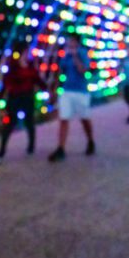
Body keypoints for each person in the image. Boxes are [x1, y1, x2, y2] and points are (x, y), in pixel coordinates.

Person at [48, 34, 95, 162]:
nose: (69, 44)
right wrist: (55, 89)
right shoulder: (65, 56)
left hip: (81, 91)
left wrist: (75, 55)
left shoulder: (83, 54)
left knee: (84, 119)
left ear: (77, 42)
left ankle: (90, 140)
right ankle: (61, 148)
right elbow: (60, 72)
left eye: (72, 42)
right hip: (67, 91)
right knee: (64, 118)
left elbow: (83, 70)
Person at [0, 43, 45, 164]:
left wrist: (46, 88)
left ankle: (31, 146)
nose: (26, 54)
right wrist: (0, 98)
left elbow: (37, 79)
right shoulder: (13, 67)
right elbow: (6, 83)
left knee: (29, 122)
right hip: (15, 98)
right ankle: (1, 152)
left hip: (28, 97)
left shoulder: (30, 66)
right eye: (25, 52)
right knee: (9, 124)